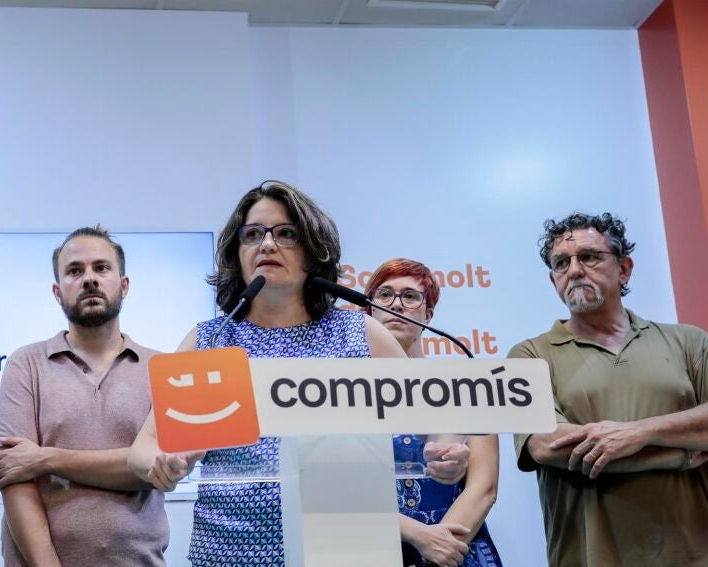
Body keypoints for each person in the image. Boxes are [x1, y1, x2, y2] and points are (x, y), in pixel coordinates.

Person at [129, 181, 467, 565]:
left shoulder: (359, 333)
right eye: (252, 235)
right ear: (237, 254)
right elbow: (144, 447)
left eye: (286, 233)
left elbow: (434, 416)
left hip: (344, 549)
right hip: (231, 552)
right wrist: (161, 462)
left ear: (314, 250)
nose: (266, 245)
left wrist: (445, 449)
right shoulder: (212, 339)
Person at [511, 212, 708, 566]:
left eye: (588, 257)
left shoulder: (688, 341)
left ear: (624, 269)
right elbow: (546, 444)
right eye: (561, 263)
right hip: (589, 557)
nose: (574, 270)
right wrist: (679, 454)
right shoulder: (529, 355)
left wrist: (638, 433)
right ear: (553, 279)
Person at [0, 226, 168, 567]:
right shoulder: (25, 364)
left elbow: (153, 468)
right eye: (75, 271)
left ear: (124, 285)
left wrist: (46, 459)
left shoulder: (161, 369)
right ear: (57, 292)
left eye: (101, 268)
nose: (89, 279)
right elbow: (14, 474)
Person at [365, 258, 502, 567]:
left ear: (428, 314)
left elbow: (483, 487)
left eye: (410, 296)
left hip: (455, 552)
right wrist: (419, 537)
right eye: (384, 295)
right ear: (369, 310)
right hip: (371, 549)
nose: (396, 305)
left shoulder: (465, 383)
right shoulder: (339, 389)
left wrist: (439, 549)